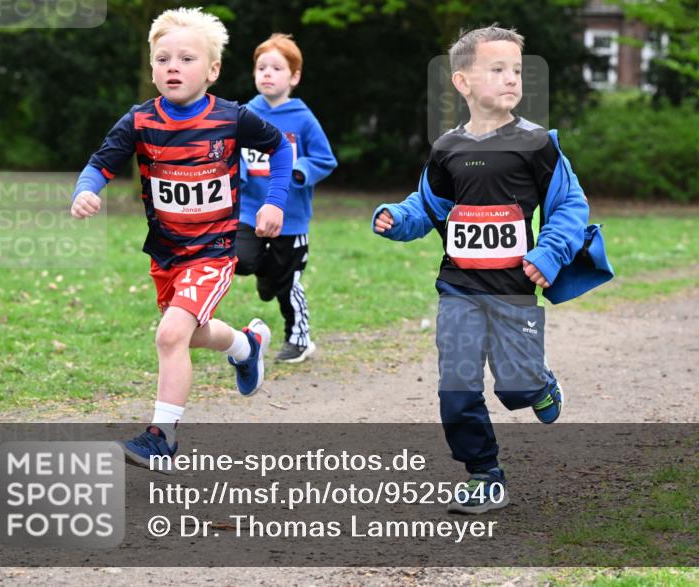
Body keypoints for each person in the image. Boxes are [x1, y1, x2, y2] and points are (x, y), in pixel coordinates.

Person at [372, 25, 606, 514]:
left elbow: (569, 206)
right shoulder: (447, 150)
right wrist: (398, 218)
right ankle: (484, 474)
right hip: (458, 287)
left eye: (517, 71)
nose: (511, 80)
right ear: (462, 82)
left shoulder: (536, 144)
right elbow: (429, 206)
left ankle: (539, 381)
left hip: (515, 290)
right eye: (497, 70)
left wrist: (548, 253)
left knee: (517, 389)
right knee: (455, 387)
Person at [70, 8, 294, 466]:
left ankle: (162, 437)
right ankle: (244, 345)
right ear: (152, 69)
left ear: (212, 70)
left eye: (186, 58)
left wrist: (274, 201)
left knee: (171, 334)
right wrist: (86, 191)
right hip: (167, 253)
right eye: (162, 58)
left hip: (213, 251)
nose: (173, 66)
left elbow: (280, 148)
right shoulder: (139, 122)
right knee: (188, 335)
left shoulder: (233, 118)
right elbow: (100, 163)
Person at [235, 33, 338, 363]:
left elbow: (325, 159)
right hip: (250, 210)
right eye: (261, 67)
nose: (267, 73)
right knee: (240, 260)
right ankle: (263, 272)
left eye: (276, 68)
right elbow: (232, 151)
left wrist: (300, 170)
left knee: (287, 282)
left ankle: (299, 338)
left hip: (291, 218)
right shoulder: (244, 114)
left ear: (293, 77)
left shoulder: (303, 119)